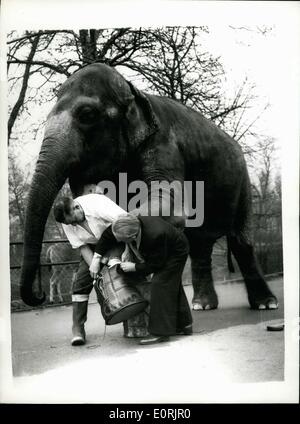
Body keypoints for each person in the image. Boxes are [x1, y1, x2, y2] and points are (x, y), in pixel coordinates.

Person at [89, 214, 193, 345]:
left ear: (132, 237)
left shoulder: (154, 236)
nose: (119, 241)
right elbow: (109, 235)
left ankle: (160, 333)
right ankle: (185, 324)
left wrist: (135, 267)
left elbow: (156, 265)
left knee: (160, 284)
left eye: (121, 240)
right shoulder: (124, 224)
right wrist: (97, 259)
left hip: (176, 251)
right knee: (172, 283)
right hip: (163, 247)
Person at [53, 193, 128, 346]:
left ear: (76, 207)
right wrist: (95, 270)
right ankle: (78, 328)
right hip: (92, 247)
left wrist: (127, 251)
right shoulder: (66, 221)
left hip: (117, 238)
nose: (73, 226)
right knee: (81, 282)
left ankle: (128, 316)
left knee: (116, 272)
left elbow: (125, 223)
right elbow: (82, 246)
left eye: (73, 221)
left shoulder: (97, 203)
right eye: (70, 224)